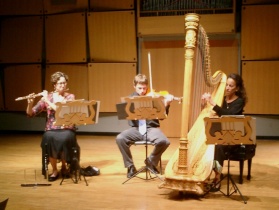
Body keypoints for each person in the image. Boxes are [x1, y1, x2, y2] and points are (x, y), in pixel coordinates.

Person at [116, 74, 173, 178]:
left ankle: (151, 161)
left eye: (144, 88)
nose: (142, 91)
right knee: (120, 138)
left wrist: (166, 104)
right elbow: (125, 115)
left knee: (164, 141)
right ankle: (130, 166)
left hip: (151, 129)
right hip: (136, 129)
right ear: (134, 86)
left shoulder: (154, 98)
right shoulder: (129, 99)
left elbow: (162, 117)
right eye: (139, 88)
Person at [26, 71, 79, 182]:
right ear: (54, 85)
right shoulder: (48, 97)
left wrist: (46, 101)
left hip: (66, 127)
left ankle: (64, 166)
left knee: (65, 138)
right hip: (51, 128)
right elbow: (31, 113)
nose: (63, 85)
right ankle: (54, 170)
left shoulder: (70, 96)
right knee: (48, 138)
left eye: (64, 83)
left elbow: (61, 111)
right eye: (60, 83)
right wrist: (30, 103)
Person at [201, 73, 248, 191]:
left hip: (234, 137)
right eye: (226, 85)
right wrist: (204, 103)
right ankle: (202, 173)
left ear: (237, 88)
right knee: (206, 143)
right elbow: (210, 112)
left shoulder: (239, 102)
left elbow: (229, 115)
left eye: (231, 86)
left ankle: (217, 177)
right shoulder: (221, 98)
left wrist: (213, 103)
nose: (227, 88)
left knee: (219, 147)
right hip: (220, 134)